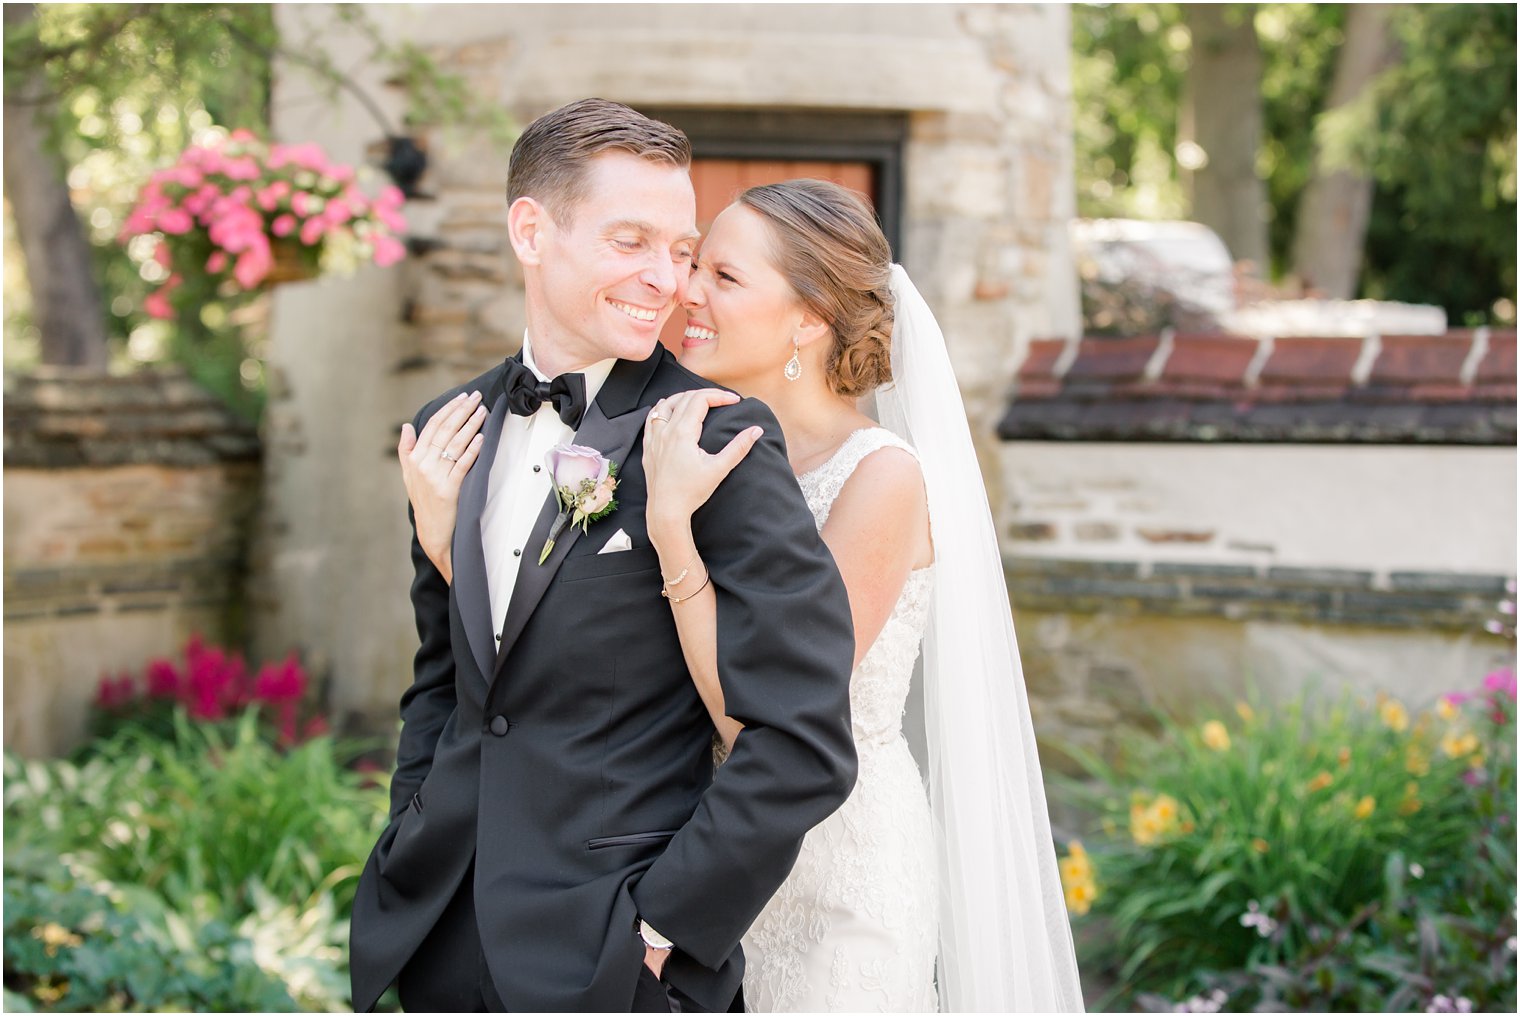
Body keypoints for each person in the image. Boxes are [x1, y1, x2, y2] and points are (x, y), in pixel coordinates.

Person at [348, 100, 858, 1014]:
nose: (667, 279)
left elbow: (802, 738)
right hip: (439, 942)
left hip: (614, 959)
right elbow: (445, 680)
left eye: (682, 249)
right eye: (632, 241)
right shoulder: (444, 434)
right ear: (532, 231)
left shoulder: (718, 440)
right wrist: (412, 827)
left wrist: (662, 929)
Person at [639, 180, 1086, 1012]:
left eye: (724, 278)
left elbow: (765, 711)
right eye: (695, 264)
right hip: (707, 852)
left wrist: (672, 534)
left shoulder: (881, 480)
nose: (685, 290)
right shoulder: (698, 447)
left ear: (808, 318)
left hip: (838, 868)